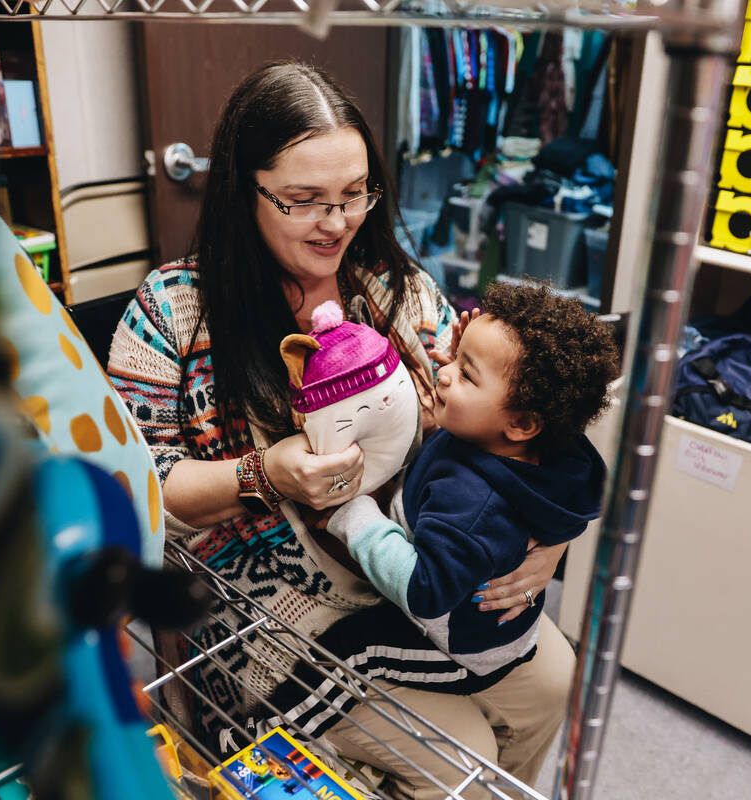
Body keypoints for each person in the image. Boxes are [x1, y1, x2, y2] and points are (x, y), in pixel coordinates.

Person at [107, 61, 573, 799]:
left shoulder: (398, 285)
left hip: (419, 565)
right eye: (305, 201)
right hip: (264, 607)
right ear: (243, 191)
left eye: (356, 194)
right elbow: (138, 487)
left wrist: (550, 538)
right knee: (462, 756)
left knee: (554, 678)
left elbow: (512, 425)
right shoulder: (171, 311)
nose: (339, 222)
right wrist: (265, 476)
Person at [325, 281, 620, 676]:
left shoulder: (472, 507)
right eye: (454, 361)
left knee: (345, 650)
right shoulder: (520, 441)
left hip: (460, 643)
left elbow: (423, 591)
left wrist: (355, 513)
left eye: (466, 374)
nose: (443, 373)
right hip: (474, 590)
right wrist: (468, 377)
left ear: (520, 423)